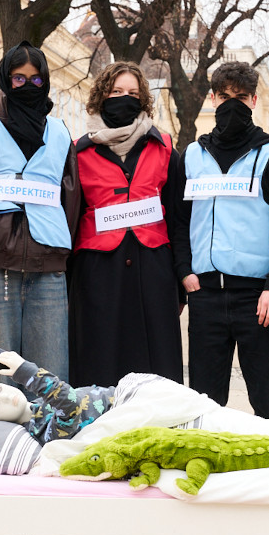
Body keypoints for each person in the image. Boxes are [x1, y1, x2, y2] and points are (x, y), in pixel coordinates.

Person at [180, 61, 269, 418]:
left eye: (241, 96)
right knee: (203, 404)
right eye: (224, 96)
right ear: (213, 98)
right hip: (205, 296)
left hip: (258, 298)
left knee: (266, 402)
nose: (232, 103)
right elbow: (178, 219)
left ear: (253, 100)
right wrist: (183, 270)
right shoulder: (191, 156)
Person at [0, 41, 79, 383]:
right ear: (4, 81)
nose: (28, 86)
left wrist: (62, 251)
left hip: (49, 265)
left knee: (49, 379)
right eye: (18, 79)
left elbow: (70, 200)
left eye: (36, 80)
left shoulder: (60, 132)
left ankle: (47, 439)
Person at [68, 61, 189, 386]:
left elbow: (178, 218)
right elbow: (71, 217)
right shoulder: (79, 153)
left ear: (144, 99)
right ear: (101, 97)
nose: (125, 97)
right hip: (96, 272)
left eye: (133, 93)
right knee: (99, 360)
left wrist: (180, 281)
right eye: (117, 91)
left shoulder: (163, 147)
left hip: (153, 270)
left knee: (156, 365)